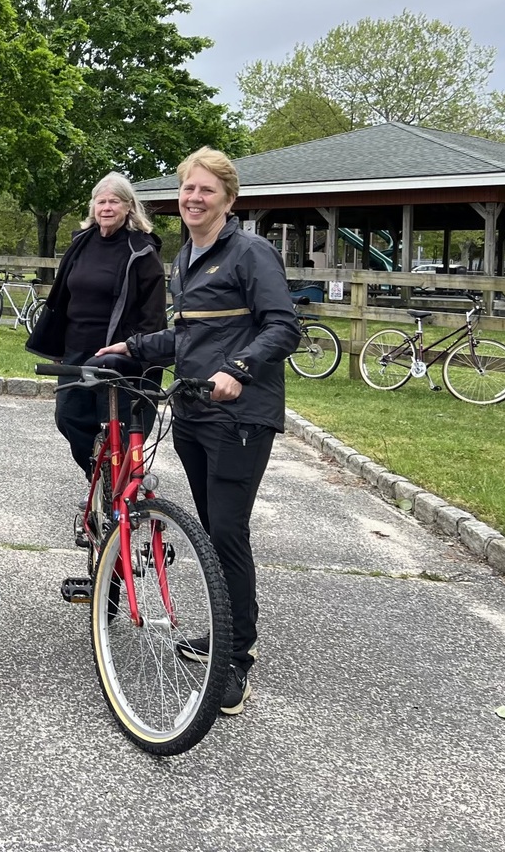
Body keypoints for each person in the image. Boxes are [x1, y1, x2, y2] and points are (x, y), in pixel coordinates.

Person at [100, 147, 300, 717]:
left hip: (239, 416)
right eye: (188, 189)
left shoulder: (251, 252)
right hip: (190, 411)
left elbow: (284, 326)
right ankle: (225, 633)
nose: (193, 198)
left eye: (206, 190)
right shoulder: (188, 255)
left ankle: (237, 660)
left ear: (228, 200)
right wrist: (135, 346)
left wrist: (238, 370)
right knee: (211, 532)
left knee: (228, 531)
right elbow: (186, 336)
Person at [26, 171, 166, 483]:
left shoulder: (141, 250)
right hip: (76, 348)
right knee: (69, 417)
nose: (106, 207)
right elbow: (62, 297)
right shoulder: (81, 244)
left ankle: (118, 491)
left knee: (117, 424)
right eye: (100, 201)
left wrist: (138, 347)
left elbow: (153, 311)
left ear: (128, 207)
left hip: (119, 354)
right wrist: (56, 346)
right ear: (93, 207)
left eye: (113, 201)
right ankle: (99, 476)